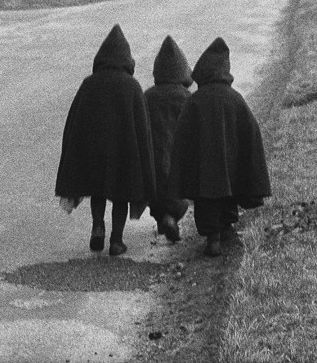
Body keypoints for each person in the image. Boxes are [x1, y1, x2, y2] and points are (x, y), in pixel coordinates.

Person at [55, 24, 156, 256]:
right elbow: (143, 129)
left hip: (94, 150)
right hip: (123, 151)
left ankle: (97, 227)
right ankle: (116, 240)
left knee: (98, 190)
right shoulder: (132, 87)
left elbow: (74, 124)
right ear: (126, 59)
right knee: (120, 194)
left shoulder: (88, 84)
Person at [166, 37, 271, 257]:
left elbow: (182, 136)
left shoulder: (195, 101)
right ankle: (226, 227)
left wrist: (183, 167)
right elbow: (251, 131)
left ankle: (212, 237)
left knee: (206, 200)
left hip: (204, 170)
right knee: (228, 192)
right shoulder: (235, 99)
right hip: (229, 169)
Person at [144, 35, 193, 243]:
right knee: (179, 191)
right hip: (178, 155)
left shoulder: (148, 96)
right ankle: (171, 217)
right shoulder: (186, 98)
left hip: (154, 156)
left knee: (156, 191)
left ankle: (163, 216)